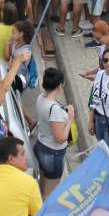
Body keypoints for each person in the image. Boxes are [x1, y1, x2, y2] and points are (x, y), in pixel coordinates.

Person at [33, 67, 73, 197]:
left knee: (42, 186)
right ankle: (45, 215)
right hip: (52, 153)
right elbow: (60, 138)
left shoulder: (41, 98)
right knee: (50, 194)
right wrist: (70, 119)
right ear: (59, 86)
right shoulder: (54, 109)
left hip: (41, 145)